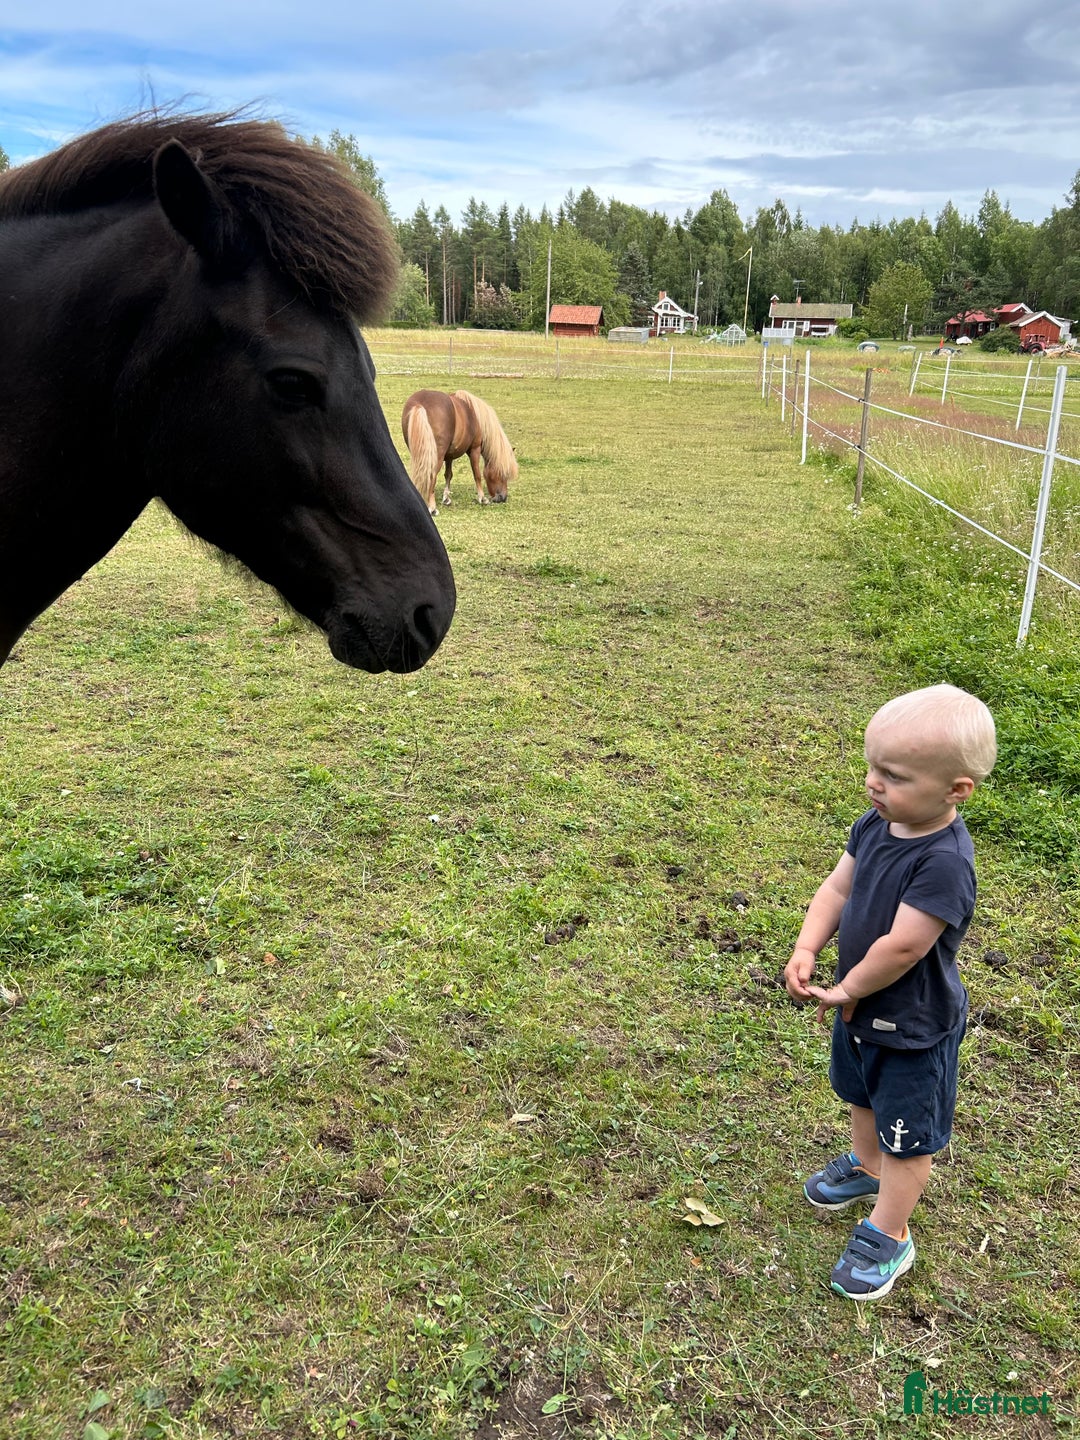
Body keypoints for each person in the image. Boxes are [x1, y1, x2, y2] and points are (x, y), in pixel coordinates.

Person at [784, 684, 997, 1301]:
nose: (875, 784)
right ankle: (866, 1167)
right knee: (861, 1093)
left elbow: (905, 946)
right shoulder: (877, 823)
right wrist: (807, 946)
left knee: (907, 1132)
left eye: (894, 775)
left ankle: (892, 1231)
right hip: (859, 1008)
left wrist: (847, 986)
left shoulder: (945, 862)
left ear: (956, 789)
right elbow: (837, 889)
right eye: (872, 766)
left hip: (911, 1023)